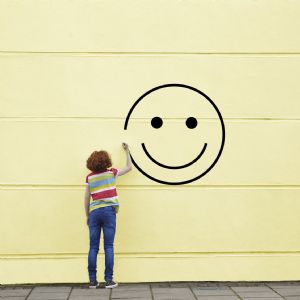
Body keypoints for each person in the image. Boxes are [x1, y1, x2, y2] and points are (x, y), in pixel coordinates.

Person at [84, 142, 132, 289]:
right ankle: (109, 280)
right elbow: (129, 167)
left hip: (95, 213)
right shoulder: (111, 173)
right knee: (109, 246)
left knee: (93, 247)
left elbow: (86, 198)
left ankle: (92, 281)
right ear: (106, 161)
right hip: (109, 212)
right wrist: (127, 150)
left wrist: (88, 216)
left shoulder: (90, 178)